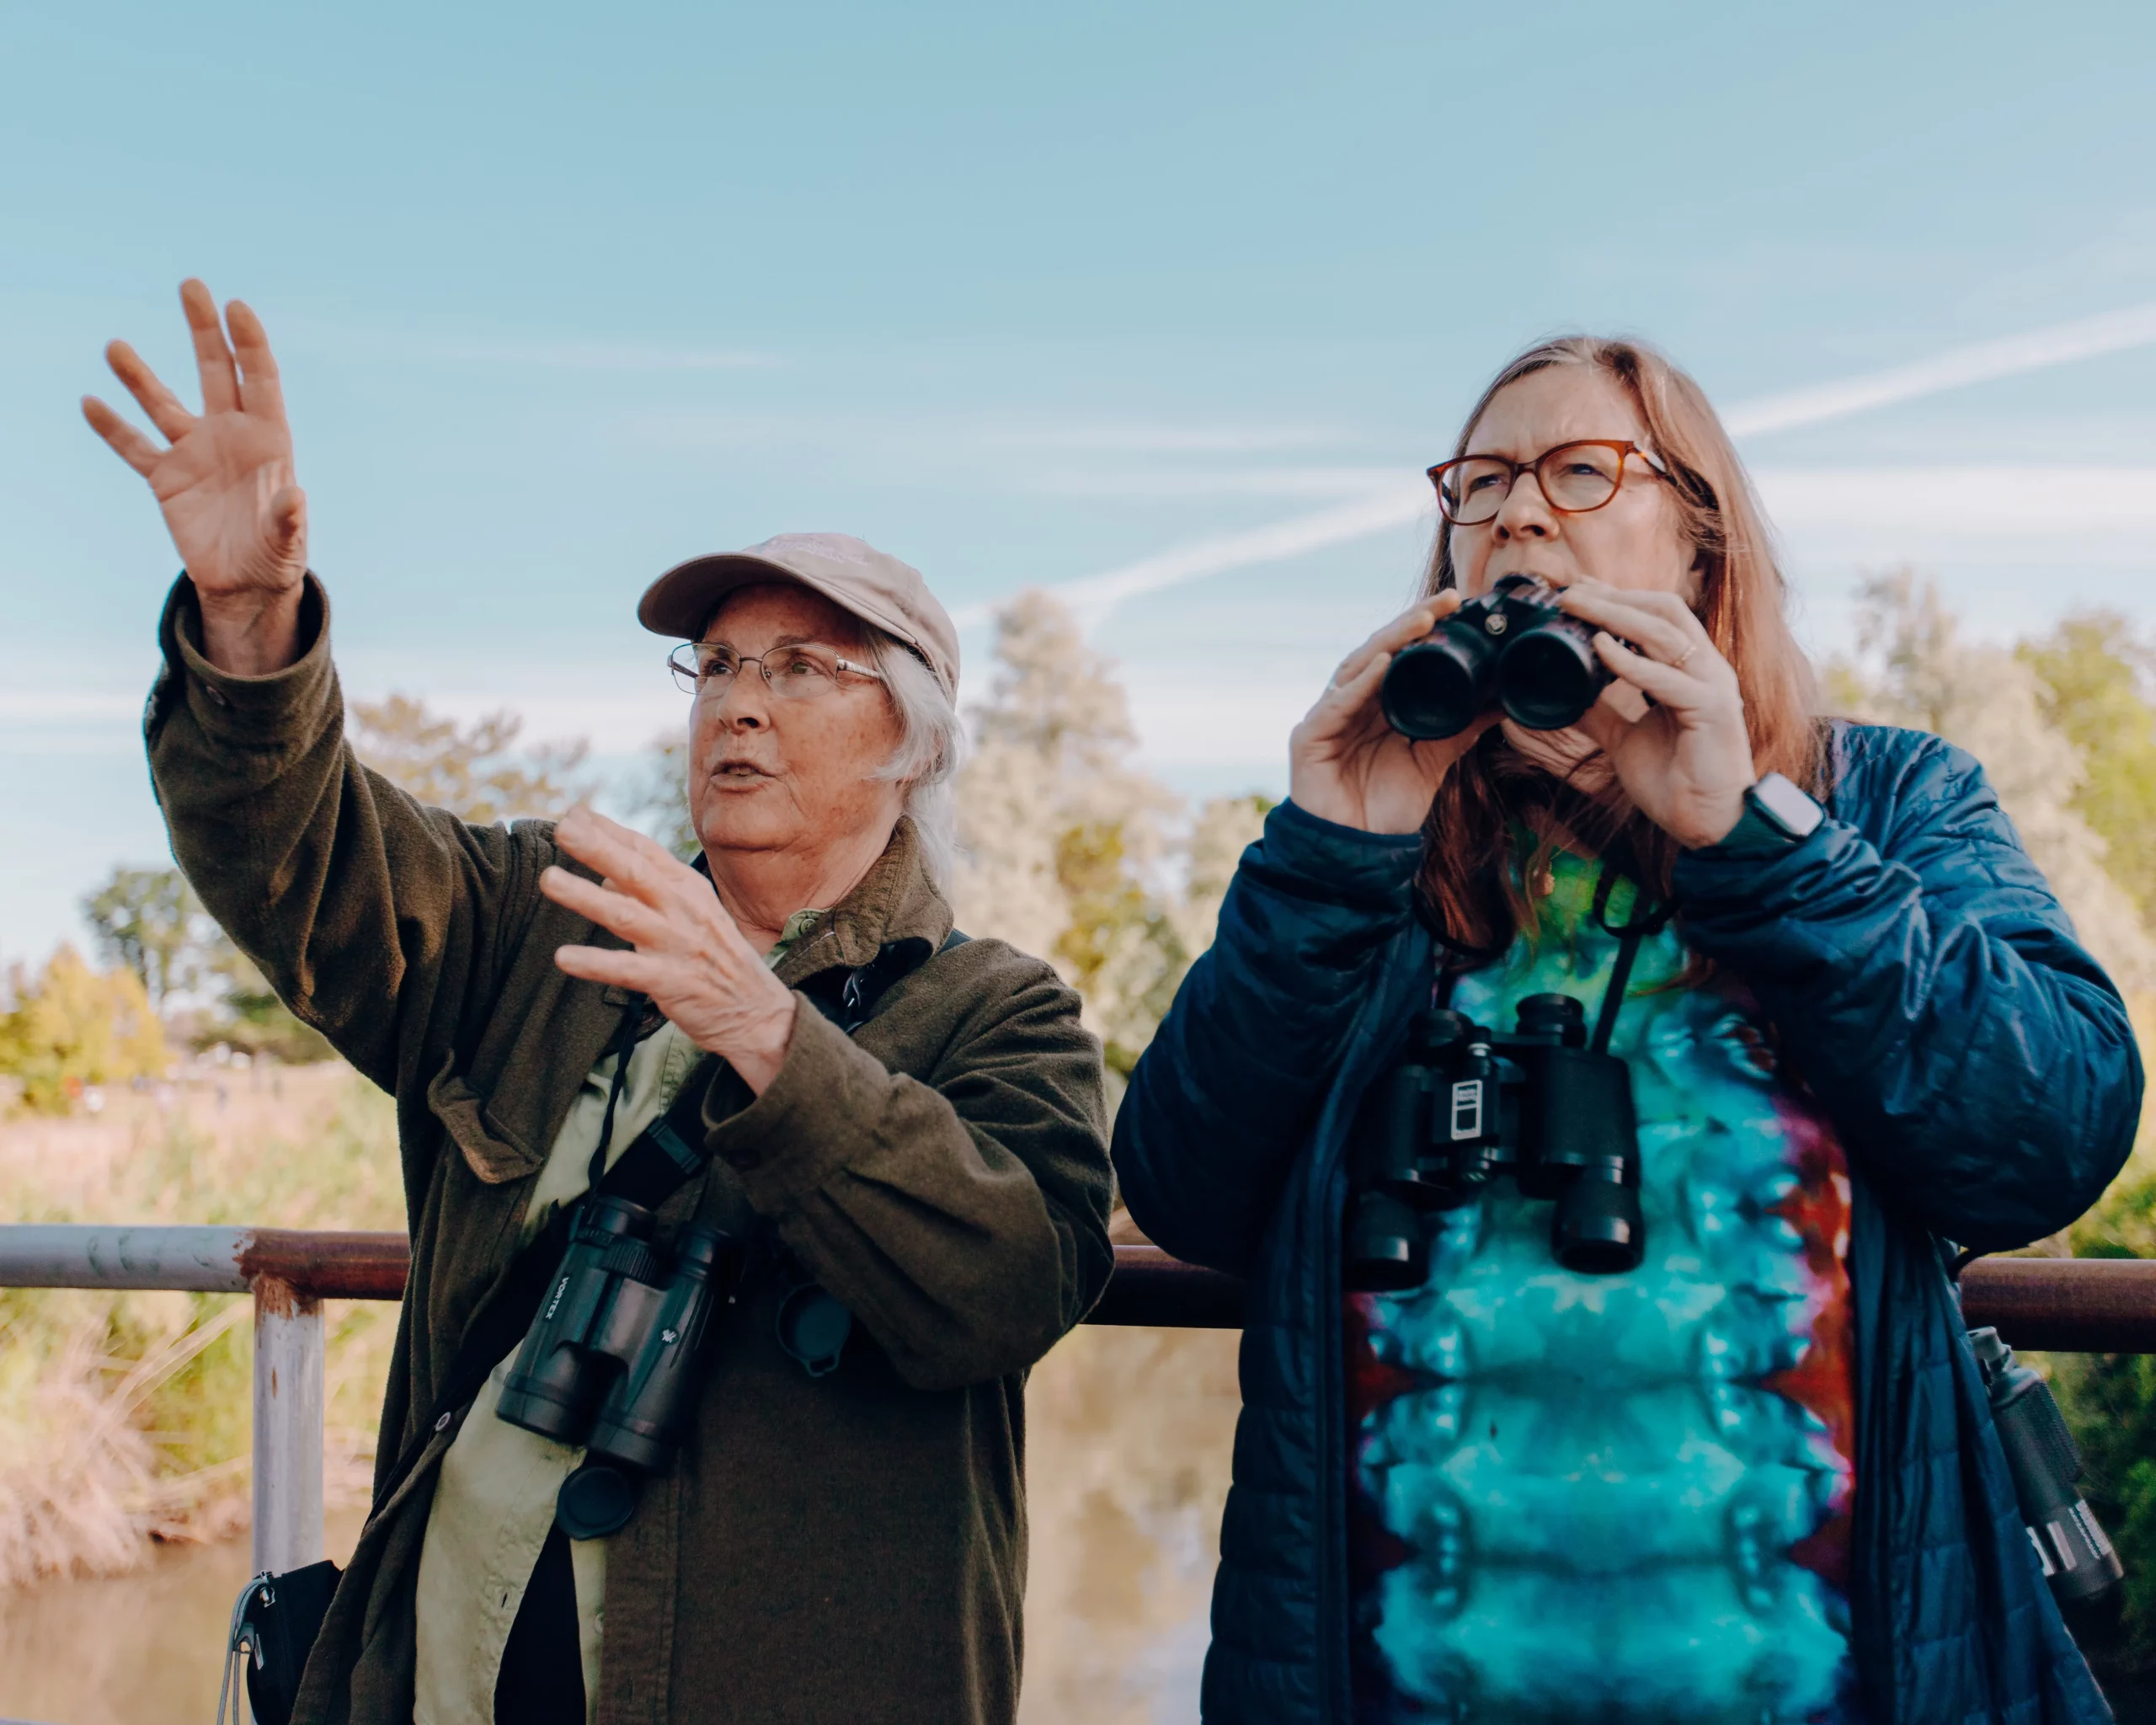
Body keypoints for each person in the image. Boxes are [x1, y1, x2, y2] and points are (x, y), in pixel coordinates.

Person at [83, 280, 1114, 1725]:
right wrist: (251, 625)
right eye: (719, 666)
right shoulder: (541, 916)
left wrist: (759, 1027)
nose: (737, 704)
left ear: (914, 742)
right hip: (438, 1675)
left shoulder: (1000, 1014)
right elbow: (303, 864)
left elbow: (1013, 1278)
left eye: (804, 669)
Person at [1113, 335, 2142, 1724]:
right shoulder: (1381, 837)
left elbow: (2053, 1131)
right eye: (1479, 485)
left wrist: (1756, 840)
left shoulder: (1881, 796)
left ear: (1702, 547)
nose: (1519, 513)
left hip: (1837, 1684)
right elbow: (1183, 1187)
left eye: (1580, 470)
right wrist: (1323, 855)